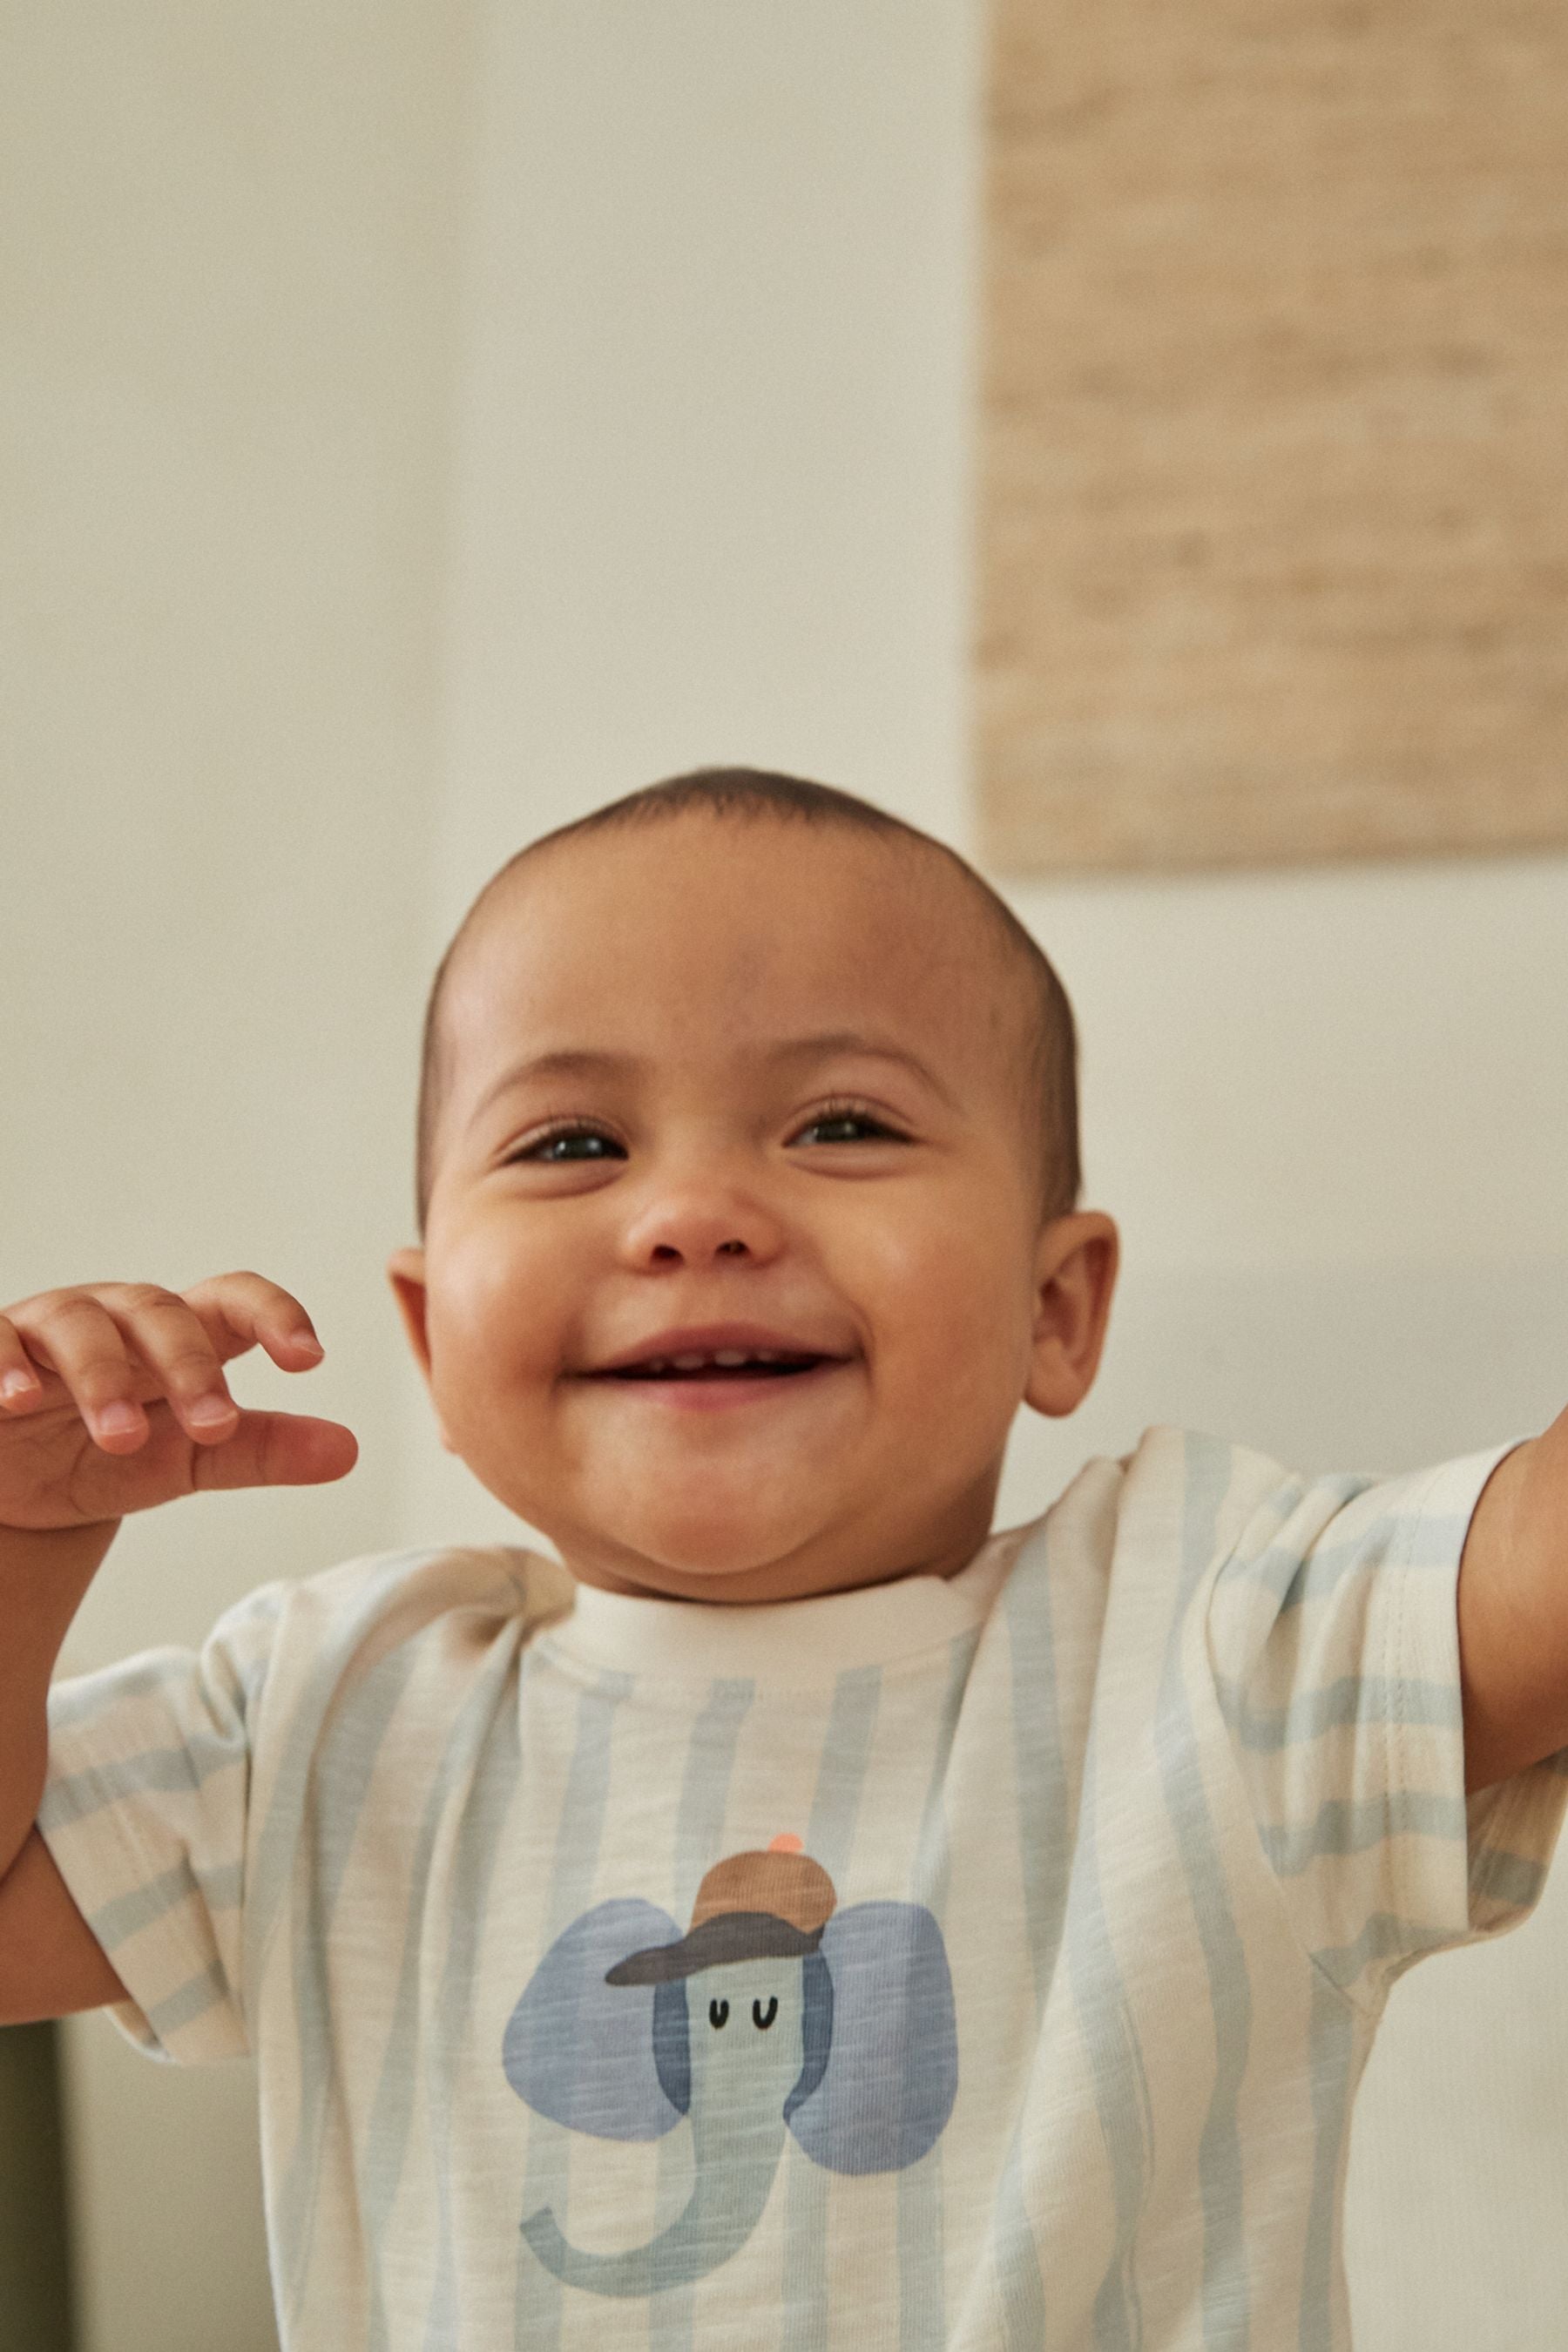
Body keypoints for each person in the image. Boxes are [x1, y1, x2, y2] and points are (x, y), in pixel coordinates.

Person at [1, 767, 1564, 2351]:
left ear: (1057, 1307)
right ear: (426, 1334)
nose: (692, 1214)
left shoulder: (1213, 1650)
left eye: (841, 1122)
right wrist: (17, 1547)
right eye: (570, 1142)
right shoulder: (332, 1714)